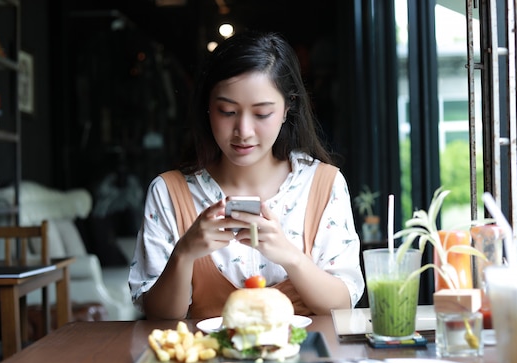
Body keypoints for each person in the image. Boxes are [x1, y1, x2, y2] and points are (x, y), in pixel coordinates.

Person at [128, 31, 364, 320]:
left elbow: (341, 307)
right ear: (207, 107)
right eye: (227, 111)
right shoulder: (169, 192)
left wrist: (290, 256)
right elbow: (158, 319)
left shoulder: (322, 185)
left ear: (288, 107)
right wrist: (184, 253)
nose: (243, 131)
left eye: (262, 113)